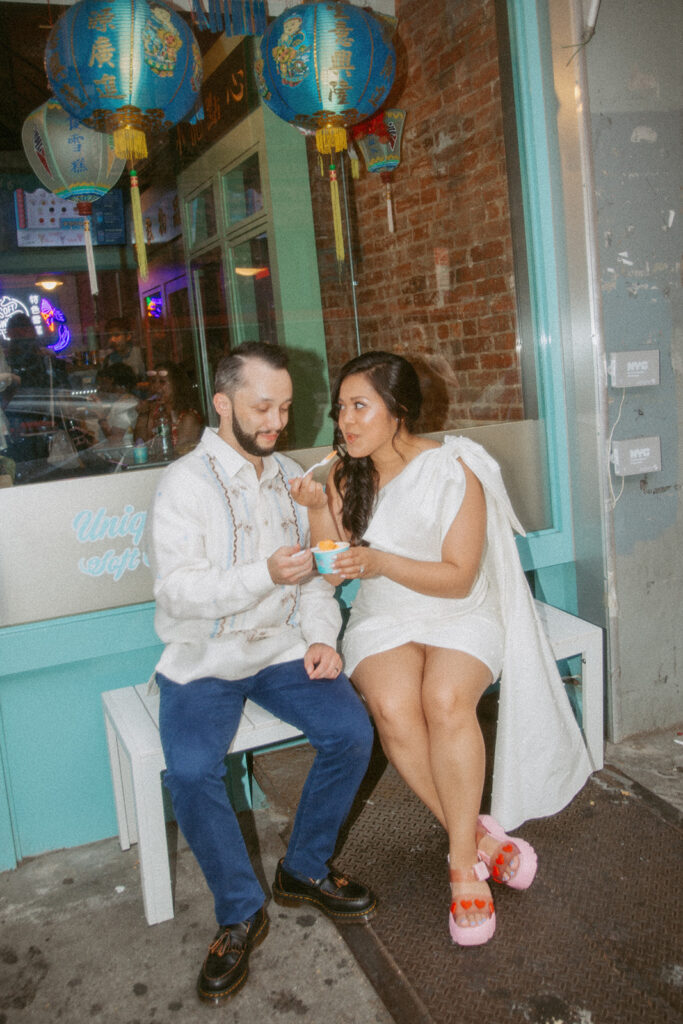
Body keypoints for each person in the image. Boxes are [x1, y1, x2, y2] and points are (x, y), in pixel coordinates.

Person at [290, 351, 592, 948]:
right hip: (385, 615)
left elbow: (458, 577)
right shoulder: (346, 473)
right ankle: (481, 840)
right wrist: (320, 505)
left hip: (460, 610)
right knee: (397, 708)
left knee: (447, 699)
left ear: (397, 410)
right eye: (340, 408)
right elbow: (332, 575)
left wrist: (379, 560)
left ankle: (460, 862)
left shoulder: (458, 467)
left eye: (359, 406)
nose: (345, 421)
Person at [150, 341, 376, 1005]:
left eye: (283, 406)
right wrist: (261, 574)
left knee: (351, 733)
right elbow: (178, 594)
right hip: (204, 656)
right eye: (261, 406)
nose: (276, 420)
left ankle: (303, 869)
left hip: (280, 647)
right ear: (223, 404)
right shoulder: (184, 485)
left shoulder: (292, 478)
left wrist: (320, 639)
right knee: (190, 771)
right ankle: (238, 911)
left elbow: (317, 579)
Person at [134, 362, 203, 456]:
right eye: (153, 381)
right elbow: (140, 446)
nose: (156, 386)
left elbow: (183, 455)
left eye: (162, 382)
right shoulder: (154, 412)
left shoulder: (188, 418)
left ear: (176, 385)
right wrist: (143, 415)